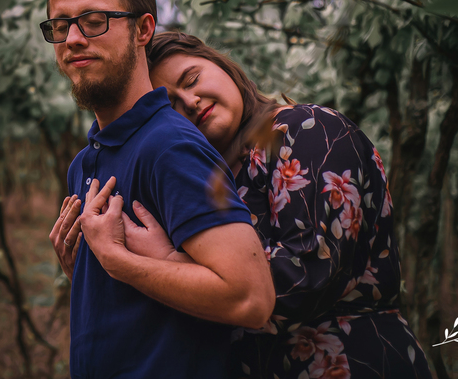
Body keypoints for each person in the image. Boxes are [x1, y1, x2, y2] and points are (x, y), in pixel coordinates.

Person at [123, 30, 432, 379]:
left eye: (191, 79)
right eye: (172, 106)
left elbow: (308, 275)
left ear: (223, 66)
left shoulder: (307, 130)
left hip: (349, 362)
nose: (190, 101)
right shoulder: (210, 183)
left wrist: (166, 263)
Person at [43, 0, 275, 379]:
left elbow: (250, 298)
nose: (73, 38)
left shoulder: (169, 146)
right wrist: (88, 275)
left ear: (142, 29)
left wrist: (117, 262)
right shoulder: (84, 163)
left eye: (94, 20)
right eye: (61, 26)